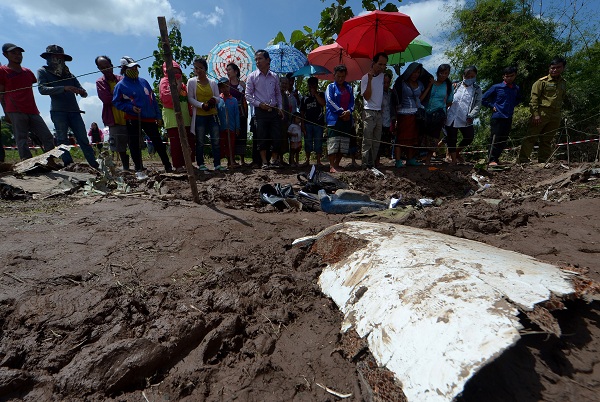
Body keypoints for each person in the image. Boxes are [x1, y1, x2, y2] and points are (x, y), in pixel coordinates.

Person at [37, 45, 99, 169]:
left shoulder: (69, 74)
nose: (58, 59)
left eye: (60, 57)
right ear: (48, 58)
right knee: (62, 140)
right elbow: (42, 89)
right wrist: (64, 88)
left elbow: (84, 92)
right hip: (58, 111)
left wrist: (81, 92)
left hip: (74, 111)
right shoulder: (42, 71)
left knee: (83, 139)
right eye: (55, 56)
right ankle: (68, 165)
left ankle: (94, 164)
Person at [112, 56, 172, 179]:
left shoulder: (144, 82)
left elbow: (153, 99)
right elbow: (116, 102)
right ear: (124, 69)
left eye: (135, 67)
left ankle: (168, 166)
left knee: (158, 142)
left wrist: (158, 115)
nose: (134, 69)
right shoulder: (120, 85)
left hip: (149, 117)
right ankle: (139, 169)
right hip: (133, 118)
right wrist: (130, 108)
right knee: (134, 144)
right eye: (131, 68)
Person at [0, 43, 55, 160]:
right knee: (22, 139)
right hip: (14, 110)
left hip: (32, 110)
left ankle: (50, 161)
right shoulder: (2, 71)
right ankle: (27, 164)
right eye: (13, 53)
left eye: (19, 53)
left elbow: (35, 83)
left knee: (47, 136)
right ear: (5, 55)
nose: (17, 55)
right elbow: (1, 94)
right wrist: (6, 113)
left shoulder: (27, 72)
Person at [518, 57, 567, 164]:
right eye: (552, 68)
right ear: (549, 68)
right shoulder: (541, 82)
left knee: (547, 139)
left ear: (563, 68)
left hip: (555, 115)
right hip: (542, 113)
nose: (555, 70)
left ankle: (543, 161)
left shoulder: (563, 83)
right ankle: (523, 160)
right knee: (531, 137)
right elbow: (533, 99)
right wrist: (535, 114)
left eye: (558, 67)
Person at [245, 49, 283, 169]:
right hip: (260, 111)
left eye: (260, 58)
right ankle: (264, 162)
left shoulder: (275, 76)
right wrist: (259, 104)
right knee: (262, 137)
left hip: (274, 111)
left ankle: (274, 160)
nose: (257, 61)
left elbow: (278, 94)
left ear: (267, 60)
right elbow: (248, 95)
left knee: (276, 136)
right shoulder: (252, 77)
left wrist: (280, 107)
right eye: (256, 59)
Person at [187, 57, 224, 171]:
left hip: (212, 114)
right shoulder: (191, 82)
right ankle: (201, 163)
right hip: (199, 115)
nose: (198, 70)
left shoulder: (212, 82)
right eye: (196, 68)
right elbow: (190, 99)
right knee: (200, 140)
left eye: (201, 68)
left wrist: (213, 100)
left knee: (216, 140)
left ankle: (217, 164)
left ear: (205, 69)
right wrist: (202, 105)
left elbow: (218, 98)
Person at [159, 60, 195, 173]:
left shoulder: (183, 84)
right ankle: (178, 165)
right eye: (172, 70)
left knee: (188, 141)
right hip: (173, 119)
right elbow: (168, 99)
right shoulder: (164, 82)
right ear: (166, 71)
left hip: (185, 118)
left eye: (177, 70)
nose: (175, 72)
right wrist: (178, 85)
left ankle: (188, 164)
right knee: (176, 144)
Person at [95, 55, 130, 170]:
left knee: (134, 144)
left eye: (107, 66)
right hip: (113, 119)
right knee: (120, 146)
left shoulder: (121, 79)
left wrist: (116, 95)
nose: (106, 68)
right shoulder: (100, 82)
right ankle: (126, 168)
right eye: (102, 67)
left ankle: (139, 167)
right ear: (99, 69)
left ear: (112, 65)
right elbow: (106, 99)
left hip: (128, 117)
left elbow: (129, 95)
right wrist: (120, 95)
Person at [482, 66, 521, 166]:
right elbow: (483, 99)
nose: (509, 78)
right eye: (507, 76)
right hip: (498, 116)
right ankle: (491, 160)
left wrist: (512, 105)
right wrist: (491, 106)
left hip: (508, 116)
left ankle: (497, 158)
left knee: (504, 139)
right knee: (495, 138)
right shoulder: (496, 87)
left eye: (511, 76)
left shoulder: (516, 88)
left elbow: (519, 99)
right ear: (503, 76)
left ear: (515, 75)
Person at [444, 65, 482, 164]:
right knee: (452, 138)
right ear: (463, 76)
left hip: (465, 117)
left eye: (472, 76)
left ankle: (456, 152)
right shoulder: (455, 85)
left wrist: (472, 115)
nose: (470, 79)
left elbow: (477, 104)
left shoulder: (477, 90)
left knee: (469, 137)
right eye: (467, 76)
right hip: (451, 115)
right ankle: (452, 160)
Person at [392, 62, 427, 167]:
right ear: (409, 71)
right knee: (401, 138)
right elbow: (395, 96)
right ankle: (398, 161)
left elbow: (420, 98)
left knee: (413, 138)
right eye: (413, 72)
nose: (415, 74)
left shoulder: (420, 84)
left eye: (418, 72)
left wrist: (429, 86)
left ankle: (410, 159)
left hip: (416, 114)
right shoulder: (401, 83)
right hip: (403, 113)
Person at [421, 64, 454, 165]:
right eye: (442, 73)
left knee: (434, 136)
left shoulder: (448, 86)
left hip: (439, 113)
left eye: (446, 73)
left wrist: (442, 107)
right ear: (437, 72)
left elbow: (449, 101)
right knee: (423, 134)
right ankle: (421, 156)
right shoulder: (429, 82)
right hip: (426, 112)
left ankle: (428, 159)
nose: (443, 75)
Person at [360, 52, 388, 168]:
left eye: (384, 65)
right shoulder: (365, 78)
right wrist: (370, 80)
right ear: (373, 63)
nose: (382, 67)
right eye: (380, 64)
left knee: (376, 141)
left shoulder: (383, 76)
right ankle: (365, 165)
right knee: (367, 140)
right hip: (369, 111)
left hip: (378, 112)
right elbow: (366, 96)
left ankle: (372, 165)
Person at [325, 65, 354, 173]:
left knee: (344, 142)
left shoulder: (349, 88)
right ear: (334, 76)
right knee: (333, 142)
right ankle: (332, 165)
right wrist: (342, 112)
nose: (341, 78)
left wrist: (349, 112)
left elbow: (352, 102)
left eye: (342, 76)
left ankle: (337, 164)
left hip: (346, 119)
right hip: (334, 119)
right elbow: (330, 101)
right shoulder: (330, 87)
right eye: (338, 76)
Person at [226, 62, 248, 166]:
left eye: (229, 70)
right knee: (231, 134)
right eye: (227, 70)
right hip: (230, 113)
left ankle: (242, 159)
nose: (228, 72)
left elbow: (248, 97)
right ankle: (232, 159)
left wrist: (244, 88)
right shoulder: (226, 84)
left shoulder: (242, 84)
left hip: (242, 112)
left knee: (242, 134)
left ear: (236, 71)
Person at [300, 76, 326, 166]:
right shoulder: (304, 98)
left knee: (318, 142)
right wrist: (302, 125)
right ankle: (307, 160)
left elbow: (323, 103)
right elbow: (302, 112)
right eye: (310, 85)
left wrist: (315, 94)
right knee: (308, 142)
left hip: (318, 123)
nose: (312, 87)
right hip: (307, 124)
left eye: (314, 85)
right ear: (308, 86)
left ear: (317, 85)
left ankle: (318, 161)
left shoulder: (321, 94)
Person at [217, 77, 240, 169]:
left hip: (231, 127)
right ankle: (221, 161)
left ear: (229, 87)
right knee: (222, 144)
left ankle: (231, 161)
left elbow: (236, 115)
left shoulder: (233, 100)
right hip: (221, 127)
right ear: (220, 89)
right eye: (222, 87)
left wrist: (237, 127)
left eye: (227, 87)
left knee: (231, 144)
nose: (225, 89)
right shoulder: (218, 100)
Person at [375, 71, 394, 166]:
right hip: (379, 120)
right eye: (384, 82)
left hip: (388, 120)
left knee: (384, 142)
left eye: (388, 82)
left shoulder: (392, 93)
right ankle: (376, 161)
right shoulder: (377, 93)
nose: (386, 85)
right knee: (378, 141)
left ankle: (379, 160)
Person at [279, 76, 291, 165]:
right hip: (278, 120)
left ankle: (281, 159)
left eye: (286, 83)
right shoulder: (277, 94)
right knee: (278, 139)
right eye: (282, 83)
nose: (284, 85)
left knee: (284, 139)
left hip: (285, 121)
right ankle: (277, 159)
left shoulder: (286, 95)